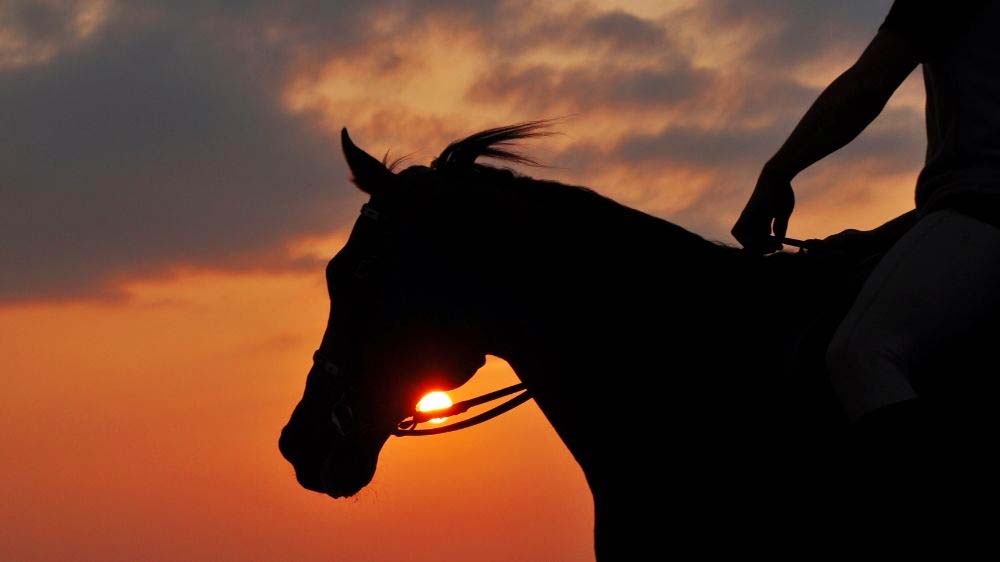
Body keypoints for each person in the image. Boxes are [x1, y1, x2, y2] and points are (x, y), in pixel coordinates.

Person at [731, 1, 1000, 443]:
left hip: (988, 214)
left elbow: (869, 83)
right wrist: (881, 239)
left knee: (861, 354)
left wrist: (778, 172)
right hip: (976, 213)